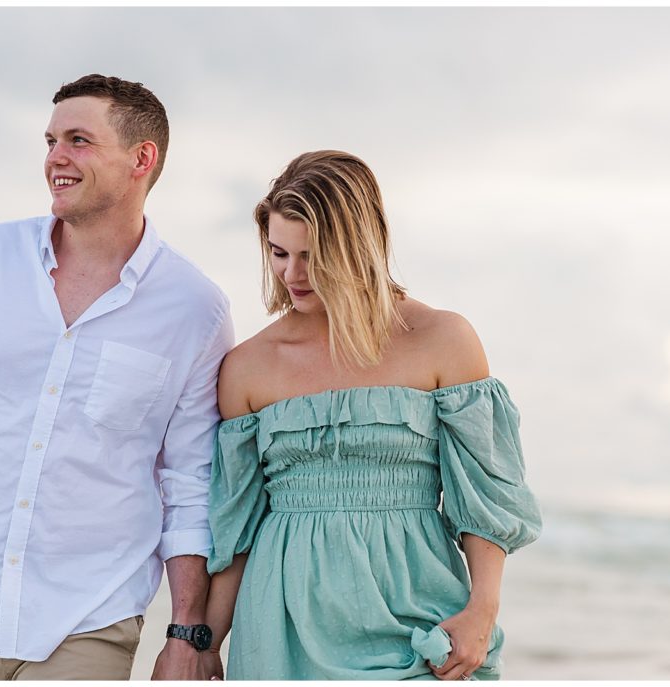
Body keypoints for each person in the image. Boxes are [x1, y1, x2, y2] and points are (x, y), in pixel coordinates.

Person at [0, 74, 232, 680]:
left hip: (90, 619)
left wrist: (186, 632)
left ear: (141, 159)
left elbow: (189, 481)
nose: (55, 159)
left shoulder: (194, 309)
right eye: (50, 141)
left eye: (78, 140)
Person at [201, 150, 542, 680]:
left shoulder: (442, 340)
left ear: (359, 246)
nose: (293, 274)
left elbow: (485, 497)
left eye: (312, 256)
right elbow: (236, 531)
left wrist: (483, 610)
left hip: (420, 610)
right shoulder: (247, 367)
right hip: (284, 622)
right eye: (278, 253)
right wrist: (202, 646)